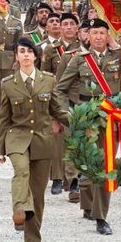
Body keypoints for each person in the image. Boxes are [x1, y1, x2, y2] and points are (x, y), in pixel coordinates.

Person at [54, 18, 121, 235]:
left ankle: (101, 216)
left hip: (112, 119)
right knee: (88, 166)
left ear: (108, 35)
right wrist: (66, 115)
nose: (99, 37)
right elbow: (60, 89)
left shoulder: (119, 56)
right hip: (87, 119)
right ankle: (87, 203)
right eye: (95, 33)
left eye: (103, 33)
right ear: (88, 36)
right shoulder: (78, 60)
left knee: (105, 167)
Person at [0, 38, 67, 242]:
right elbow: (4, 118)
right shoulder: (8, 83)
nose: (25, 55)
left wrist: (80, 122)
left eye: (29, 52)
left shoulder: (48, 81)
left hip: (43, 141)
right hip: (17, 139)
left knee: (37, 196)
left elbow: (58, 109)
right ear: (16, 56)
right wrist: (0, 148)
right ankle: (19, 209)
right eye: (21, 51)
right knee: (21, 171)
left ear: (36, 56)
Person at [42, 12, 81, 199]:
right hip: (58, 97)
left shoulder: (83, 48)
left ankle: (76, 178)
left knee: (77, 139)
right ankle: (57, 177)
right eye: (64, 24)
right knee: (58, 139)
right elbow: (45, 78)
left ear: (77, 28)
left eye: (71, 24)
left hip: (79, 98)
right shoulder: (51, 49)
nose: (67, 27)